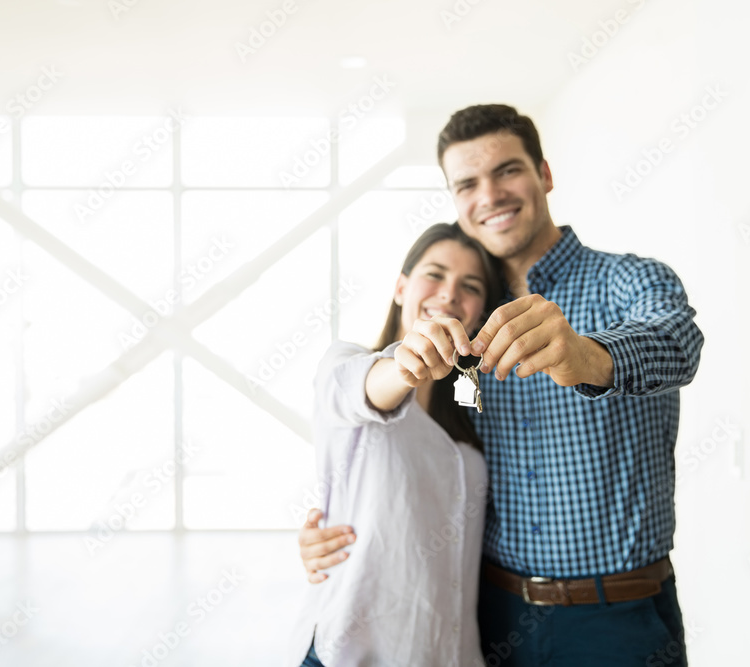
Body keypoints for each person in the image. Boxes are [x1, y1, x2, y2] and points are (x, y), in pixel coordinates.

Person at [298, 104, 704, 666]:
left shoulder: (629, 278)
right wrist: (328, 530)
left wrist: (587, 354)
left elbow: (679, 344)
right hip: (488, 617)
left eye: (508, 171)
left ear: (544, 174)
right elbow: (398, 449)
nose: (489, 195)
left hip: (615, 621)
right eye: (467, 183)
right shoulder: (463, 321)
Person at [288, 223, 504, 666]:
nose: (448, 294)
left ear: (480, 313)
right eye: (435, 274)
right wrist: (404, 368)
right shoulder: (349, 364)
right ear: (401, 287)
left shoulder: (473, 415)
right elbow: (357, 390)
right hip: (353, 652)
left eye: (469, 285)